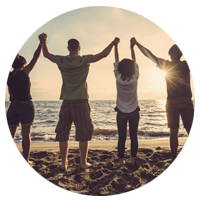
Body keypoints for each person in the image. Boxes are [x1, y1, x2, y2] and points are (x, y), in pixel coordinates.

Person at [39, 33, 119, 170]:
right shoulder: (83, 60)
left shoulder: (62, 60)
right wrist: (113, 43)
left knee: (63, 132)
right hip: (81, 101)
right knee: (83, 132)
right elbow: (104, 54)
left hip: (66, 101)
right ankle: (82, 163)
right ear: (79, 47)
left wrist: (43, 41)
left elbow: (46, 54)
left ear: (68, 48)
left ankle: (64, 163)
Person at [131, 37, 194, 162]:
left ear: (170, 55)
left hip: (172, 102)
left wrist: (137, 43)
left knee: (173, 131)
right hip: (187, 100)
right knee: (189, 128)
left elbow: (149, 54)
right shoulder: (186, 65)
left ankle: (173, 158)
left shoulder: (167, 65)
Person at [6, 41, 42, 165]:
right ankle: (26, 160)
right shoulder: (25, 72)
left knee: (11, 134)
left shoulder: (9, 76)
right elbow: (36, 57)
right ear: (23, 64)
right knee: (25, 134)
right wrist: (41, 43)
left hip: (13, 106)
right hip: (26, 105)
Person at [113, 38, 140, 166]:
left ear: (121, 69)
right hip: (134, 110)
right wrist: (132, 48)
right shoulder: (135, 78)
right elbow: (134, 62)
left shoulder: (118, 77)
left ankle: (121, 161)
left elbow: (116, 60)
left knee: (122, 138)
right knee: (133, 136)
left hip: (121, 112)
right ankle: (133, 160)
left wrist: (115, 45)